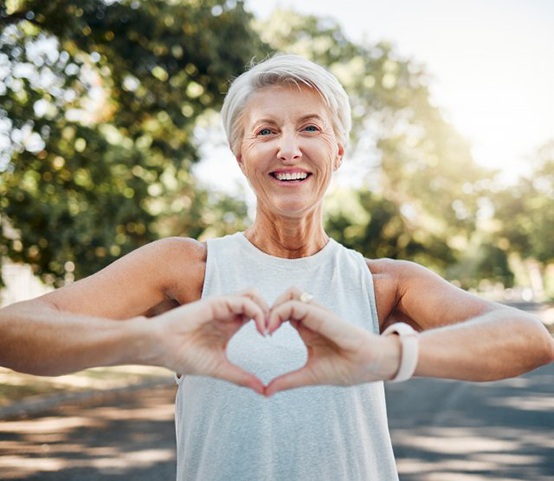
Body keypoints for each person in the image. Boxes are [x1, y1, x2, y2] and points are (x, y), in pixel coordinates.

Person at [0, 54, 552, 480]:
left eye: (310, 128)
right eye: (266, 131)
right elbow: (13, 331)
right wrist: (145, 342)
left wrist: (384, 353)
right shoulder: (187, 267)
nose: (289, 148)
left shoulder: (383, 284)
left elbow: (527, 337)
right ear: (240, 155)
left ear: (338, 151)